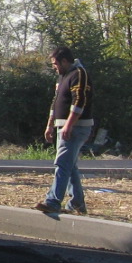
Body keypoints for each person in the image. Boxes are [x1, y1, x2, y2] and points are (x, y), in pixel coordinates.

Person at [35, 47, 94, 215]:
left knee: (62, 163)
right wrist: (50, 124)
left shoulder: (79, 74)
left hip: (76, 127)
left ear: (65, 61)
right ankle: (77, 204)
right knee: (70, 166)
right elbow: (56, 102)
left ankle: (53, 201)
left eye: (55, 64)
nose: (54, 67)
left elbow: (79, 101)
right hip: (64, 126)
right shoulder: (63, 76)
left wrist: (69, 125)